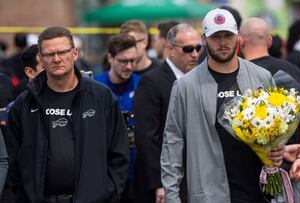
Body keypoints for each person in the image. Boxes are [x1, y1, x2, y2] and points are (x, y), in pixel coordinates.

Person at [160, 8, 284, 203]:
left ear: (238, 37)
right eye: (216, 36)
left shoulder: (261, 77)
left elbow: (278, 128)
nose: (223, 42)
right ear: (204, 39)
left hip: (258, 191)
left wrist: (279, 147)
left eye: (228, 35)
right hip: (208, 192)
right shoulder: (186, 86)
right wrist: (172, 196)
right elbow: (172, 144)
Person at [5, 26, 129, 202]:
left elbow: (119, 151)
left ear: (75, 53)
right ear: (41, 58)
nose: (57, 59)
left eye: (63, 52)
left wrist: (108, 192)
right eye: (49, 54)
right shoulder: (25, 103)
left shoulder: (101, 97)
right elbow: (11, 159)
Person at [239, 17, 300, 202]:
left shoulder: (236, 75)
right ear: (269, 41)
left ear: (240, 41)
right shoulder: (293, 70)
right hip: (290, 169)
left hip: (245, 174)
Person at [134, 23, 201, 203]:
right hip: (166, 179)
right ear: (170, 49)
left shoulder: (202, 80)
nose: (194, 54)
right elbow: (147, 137)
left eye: (198, 48)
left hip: (196, 176)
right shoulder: (151, 82)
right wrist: (159, 182)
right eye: (188, 49)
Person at [94, 33, 139, 203]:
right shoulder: (97, 87)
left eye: (133, 61)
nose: (128, 66)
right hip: (105, 172)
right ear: (110, 58)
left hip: (137, 172)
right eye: (123, 61)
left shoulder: (143, 85)